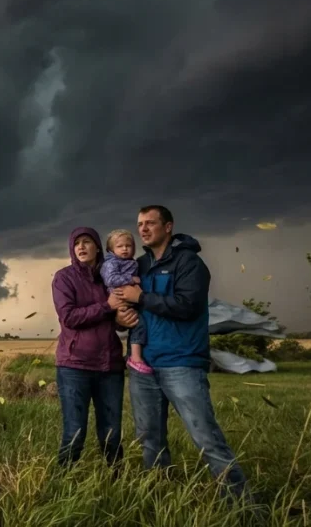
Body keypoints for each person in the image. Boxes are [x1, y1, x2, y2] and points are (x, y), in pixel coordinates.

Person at [110, 205, 250, 499]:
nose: (143, 229)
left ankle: (242, 505)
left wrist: (142, 297)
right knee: (149, 439)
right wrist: (120, 318)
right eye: (140, 224)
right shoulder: (138, 265)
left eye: (150, 223)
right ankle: (160, 499)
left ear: (168, 226)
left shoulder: (189, 263)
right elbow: (129, 307)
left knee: (205, 437)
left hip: (182, 362)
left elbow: (188, 307)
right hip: (143, 366)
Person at [51, 226, 139, 467]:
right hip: (74, 366)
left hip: (110, 366)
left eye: (87, 241)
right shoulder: (64, 278)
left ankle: (116, 480)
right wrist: (107, 307)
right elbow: (69, 317)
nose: (81, 246)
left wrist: (121, 320)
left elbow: (117, 318)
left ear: (98, 247)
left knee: (112, 433)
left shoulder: (109, 277)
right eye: (76, 243)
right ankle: (62, 481)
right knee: (75, 432)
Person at [101, 229, 150, 374]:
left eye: (128, 246)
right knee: (139, 324)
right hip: (120, 299)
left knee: (137, 323)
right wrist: (131, 279)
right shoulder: (111, 263)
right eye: (120, 246)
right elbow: (110, 279)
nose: (125, 249)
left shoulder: (129, 262)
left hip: (129, 298)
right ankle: (135, 357)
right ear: (111, 249)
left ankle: (131, 355)